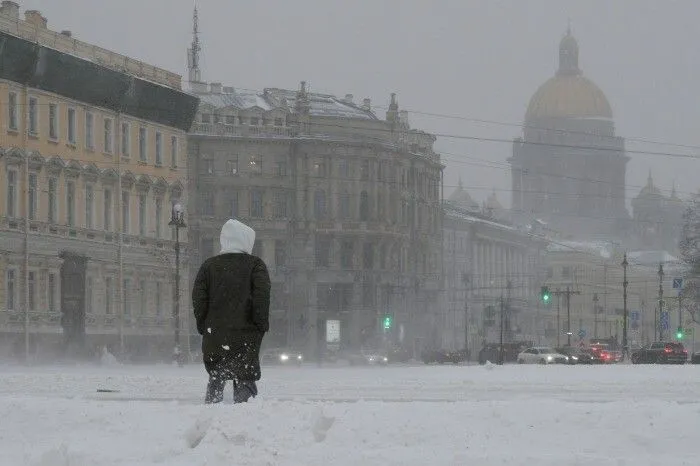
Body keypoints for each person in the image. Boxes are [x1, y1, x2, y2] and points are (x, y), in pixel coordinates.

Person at [192, 219, 271, 404]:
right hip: (247, 336)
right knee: (245, 377)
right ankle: (244, 419)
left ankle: (209, 419)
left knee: (217, 376)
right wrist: (260, 326)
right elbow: (262, 298)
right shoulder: (255, 265)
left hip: (215, 334)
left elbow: (199, 299)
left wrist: (204, 325)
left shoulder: (209, 266)